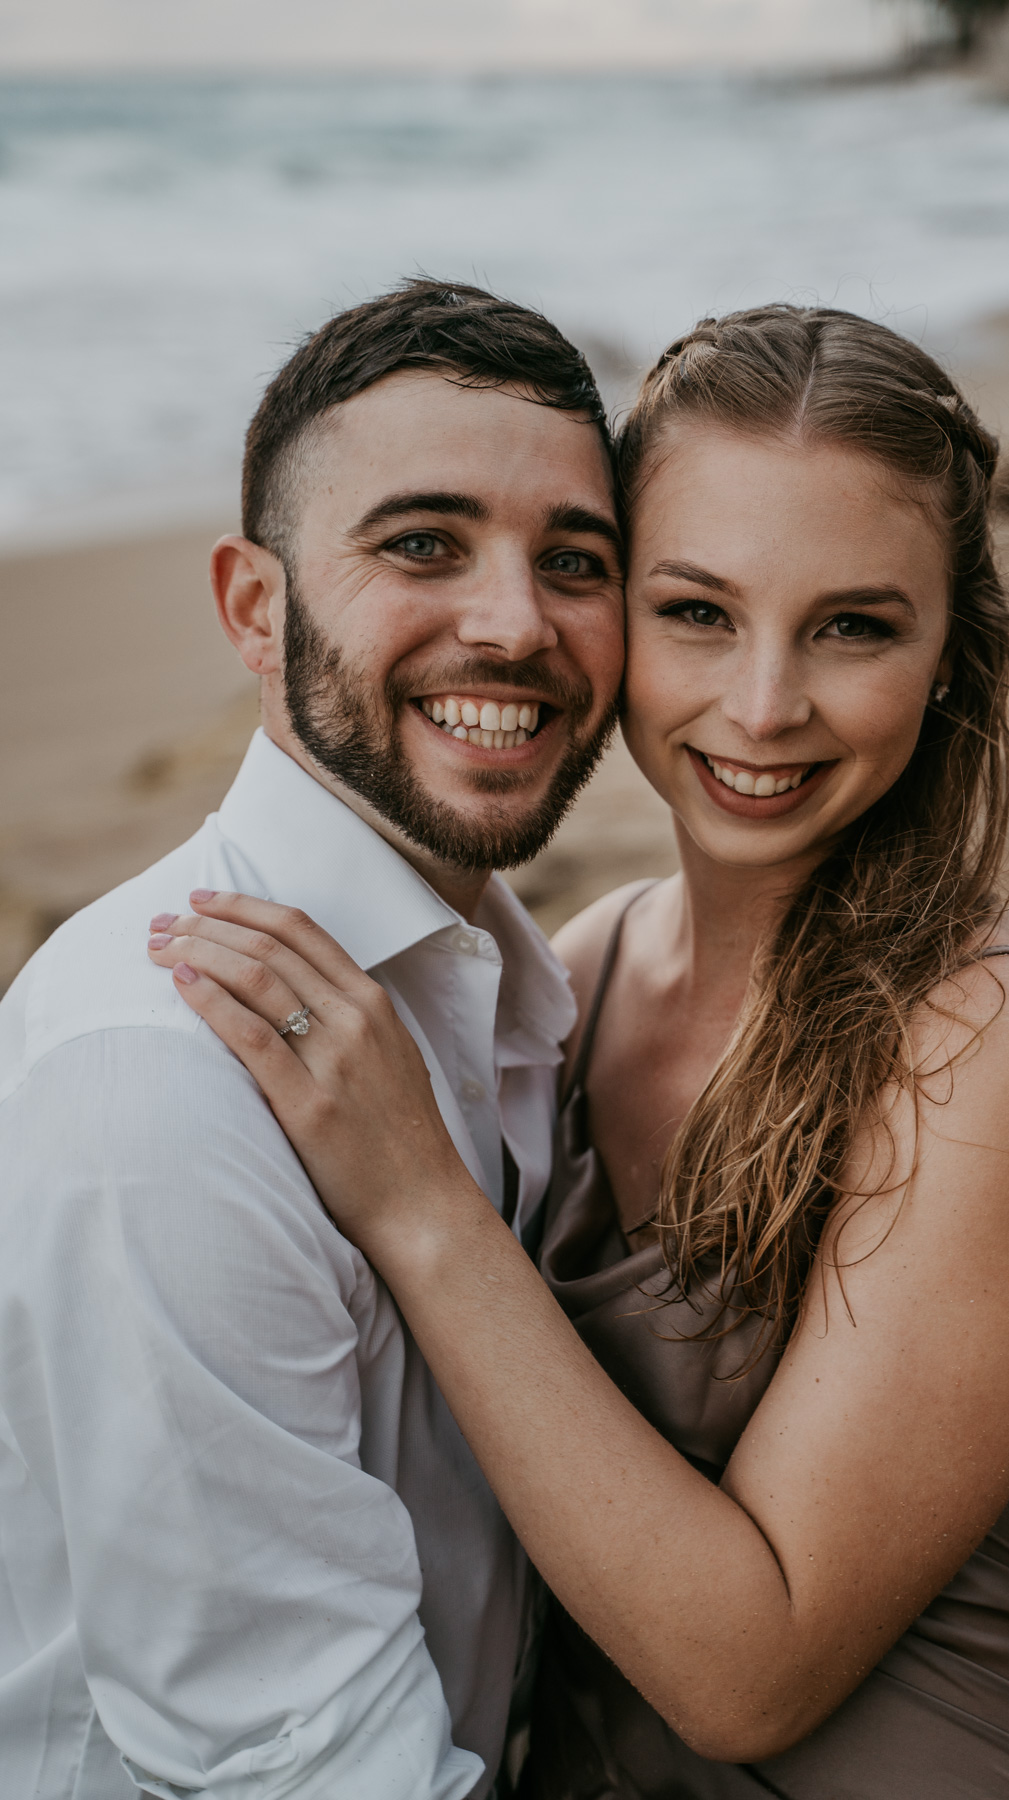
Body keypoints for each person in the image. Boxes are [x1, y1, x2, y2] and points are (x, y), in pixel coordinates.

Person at [152, 305, 1009, 1797]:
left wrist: (425, 1209)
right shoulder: (575, 972)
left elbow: (748, 1674)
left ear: (950, 651)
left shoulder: (988, 1037)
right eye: (697, 611)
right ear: (608, 610)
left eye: (854, 625)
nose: (764, 707)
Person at [0, 279, 626, 1799]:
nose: (515, 623)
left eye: (576, 561)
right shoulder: (160, 1068)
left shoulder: (525, 997)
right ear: (254, 607)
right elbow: (292, 1761)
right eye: (423, 544)